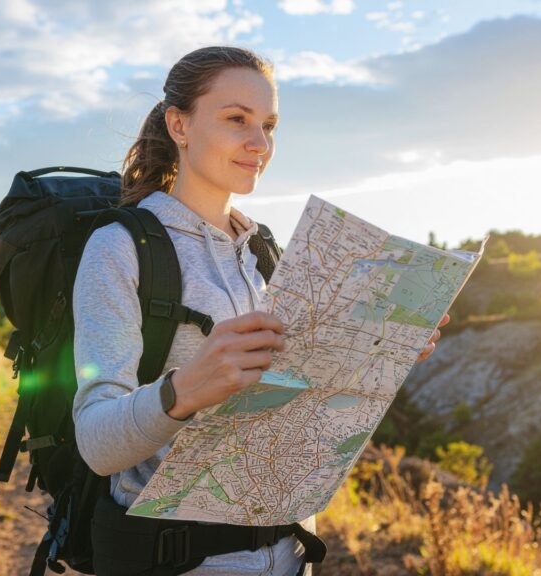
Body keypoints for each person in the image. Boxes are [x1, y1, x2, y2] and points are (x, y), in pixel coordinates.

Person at [72, 46, 448, 576]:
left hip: (293, 551)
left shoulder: (263, 251)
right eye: (236, 120)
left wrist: (385, 349)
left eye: (269, 125)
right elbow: (95, 443)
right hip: (182, 561)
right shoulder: (120, 247)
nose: (260, 143)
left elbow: (299, 393)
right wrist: (182, 392)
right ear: (179, 124)